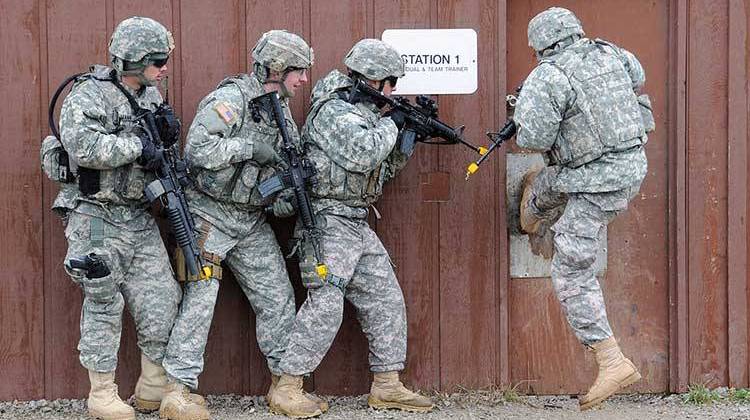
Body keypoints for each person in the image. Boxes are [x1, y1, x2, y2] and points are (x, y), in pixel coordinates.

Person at [269, 38, 434, 418]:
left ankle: (387, 385)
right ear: (373, 79)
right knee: (327, 302)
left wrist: (406, 140)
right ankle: (288, 386)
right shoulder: (333, 111)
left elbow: (381, 170)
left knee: (385, 299)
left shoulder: (369, 114)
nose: (393, 91)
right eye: (390, 82)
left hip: (357, 220)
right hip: (328, 220)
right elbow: (363, 153)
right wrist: (394, 123)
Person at [161, 30, 320, 419]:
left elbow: (278, 179)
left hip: (249, 220)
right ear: (277, 68)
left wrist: (291, 193)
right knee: (200, 300)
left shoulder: (280, 110)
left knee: (277, 297)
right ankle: (177, 391)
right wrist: (250, 148)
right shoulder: (232, 100)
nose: (302, 80)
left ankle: (284, 386)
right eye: (298, 72)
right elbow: (198, 150)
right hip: (209, 214)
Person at [514, 6, 654, 411]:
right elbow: (636, 78)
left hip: (596, 184)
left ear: (540, 44)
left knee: (571, 271)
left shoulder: (547, 76)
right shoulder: (612, 52)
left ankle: (611, 360)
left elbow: (533, 137)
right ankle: (534, 210)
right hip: (631, 167)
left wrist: (528, 107)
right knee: (552, 181)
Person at [53, 16, 189, 420]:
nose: (165, 68)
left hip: (138, 217)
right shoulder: (88, 94)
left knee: (161, 299)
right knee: (103, 300)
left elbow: (161, 148)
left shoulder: (151, 97)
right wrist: (136, 146)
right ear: (134, 60)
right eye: (158, 60)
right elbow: (82, 146)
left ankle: (151, 385)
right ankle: (102, 394)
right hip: (98, 215)